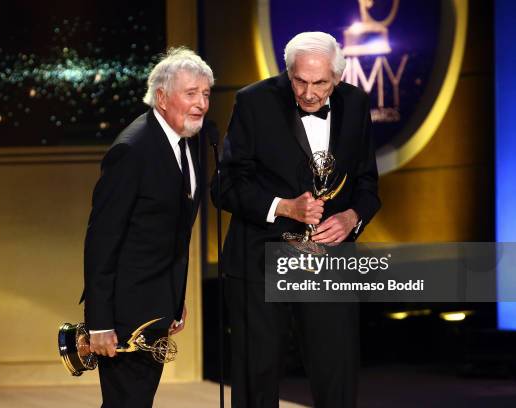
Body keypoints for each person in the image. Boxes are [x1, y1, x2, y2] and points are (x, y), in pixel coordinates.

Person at [212, 32, 381, 407]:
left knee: (336, 378)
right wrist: (283, 206)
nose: (307, 93)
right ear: (288, 73)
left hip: (328, 262)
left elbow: (368, 184)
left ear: (337, 77)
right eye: (299, 81)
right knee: (257, 380)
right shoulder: (253, 102)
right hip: (261, 260)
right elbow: (223, 187)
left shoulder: (355, 104)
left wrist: (352, 217)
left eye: (320, 83)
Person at [82, 47, 213, 407]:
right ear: (161, 97)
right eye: (191, 94)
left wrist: (174, 297)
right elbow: (101, 240)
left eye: (205, 94)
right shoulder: (132, 149)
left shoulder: (186, 142)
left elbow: (172, 232)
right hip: (125, 317)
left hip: (155, 307)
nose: (201, 103)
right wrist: (99, 323)